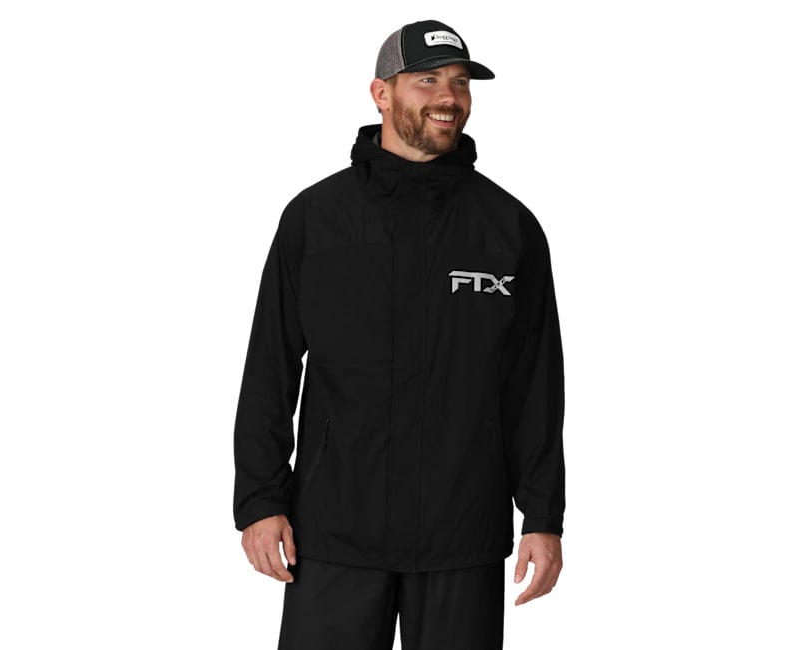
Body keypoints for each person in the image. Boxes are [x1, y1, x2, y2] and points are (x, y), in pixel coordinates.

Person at [232, 19, 566, 650]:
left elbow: (536, 385)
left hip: (461, 530)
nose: (449, 97)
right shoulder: (316, 219)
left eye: (460, 82)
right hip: (333, 528)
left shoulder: (508, 227)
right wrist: (258, 499)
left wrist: (543, 516)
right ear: (381, 94)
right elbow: (270, 367)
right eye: (427, 80)